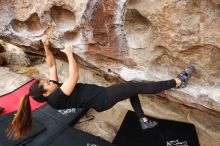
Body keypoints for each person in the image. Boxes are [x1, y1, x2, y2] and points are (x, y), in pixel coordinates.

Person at [7, 35, 195, 140]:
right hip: (103, 98)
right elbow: (74, 76)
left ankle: (142, 120)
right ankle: (177, 82)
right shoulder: (56, 99)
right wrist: (70, 55)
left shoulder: (53, 89)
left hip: (100, 97)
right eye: (47, 84)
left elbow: (51, 66)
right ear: (45, 93)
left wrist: (45, 46)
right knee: (138, 86)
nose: (50, 81)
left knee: (132, 88)